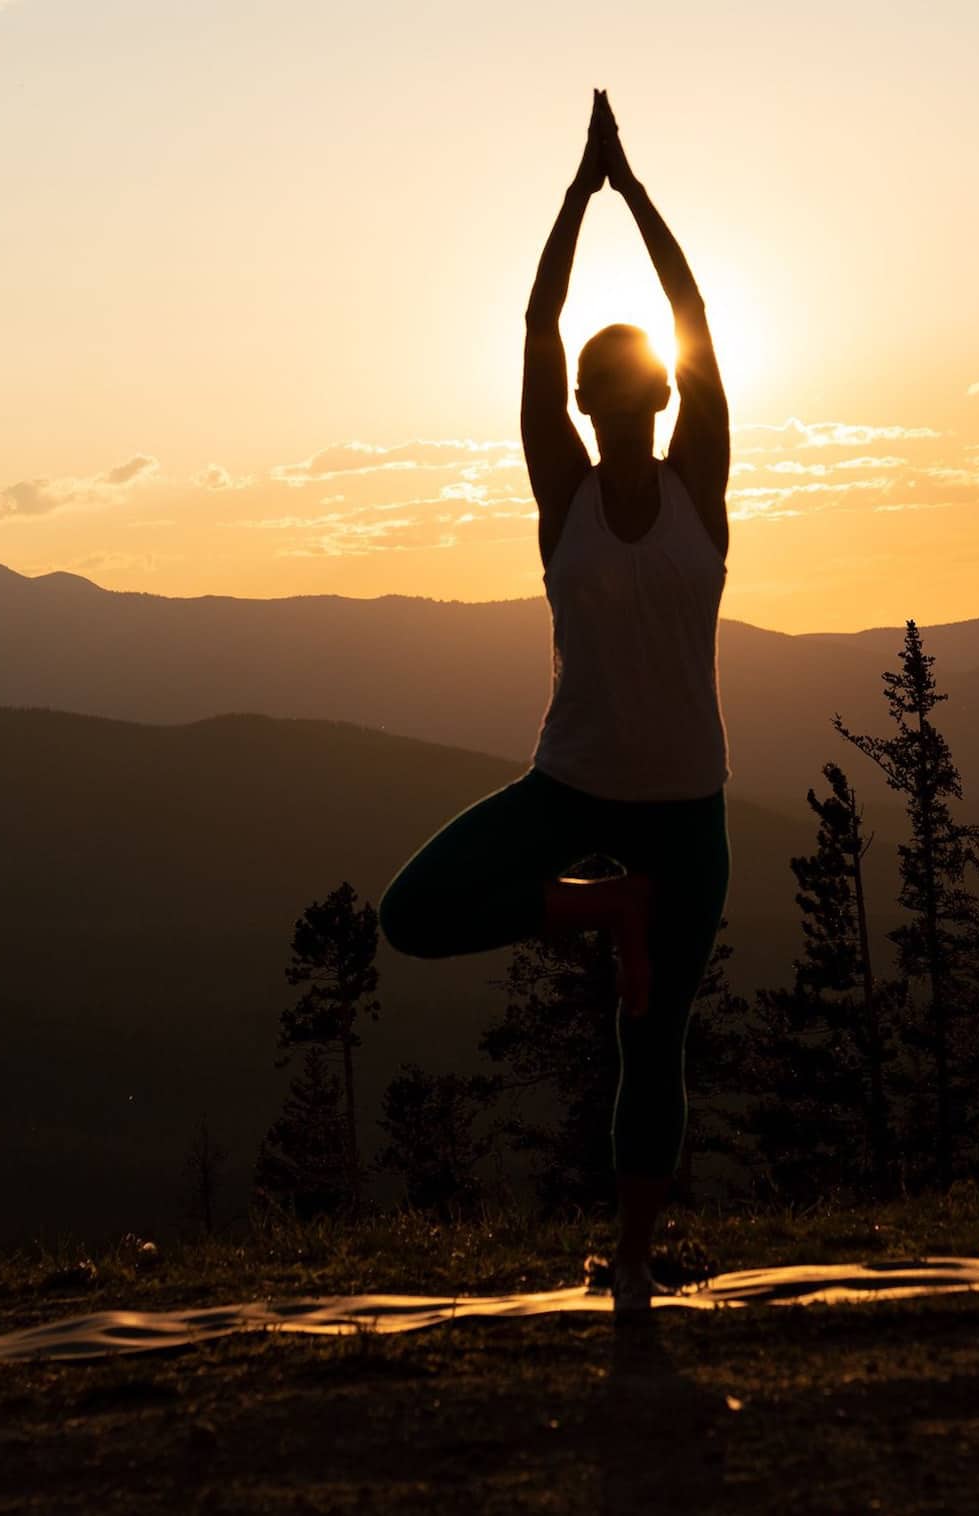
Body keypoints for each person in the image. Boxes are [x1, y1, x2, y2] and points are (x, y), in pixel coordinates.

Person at [378, 89, 731, 1313]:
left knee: (641, 1036)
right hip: (606, 793)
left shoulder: (666, 481)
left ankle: (631, 1262)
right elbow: (629, 320)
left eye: (603, 389)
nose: (611, 403)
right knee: (639, 1033)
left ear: (605, 403)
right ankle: (629, 1266)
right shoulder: (622, 489)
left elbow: (592, 321)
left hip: (650, 803)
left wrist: (599, 192)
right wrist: (616, 193)